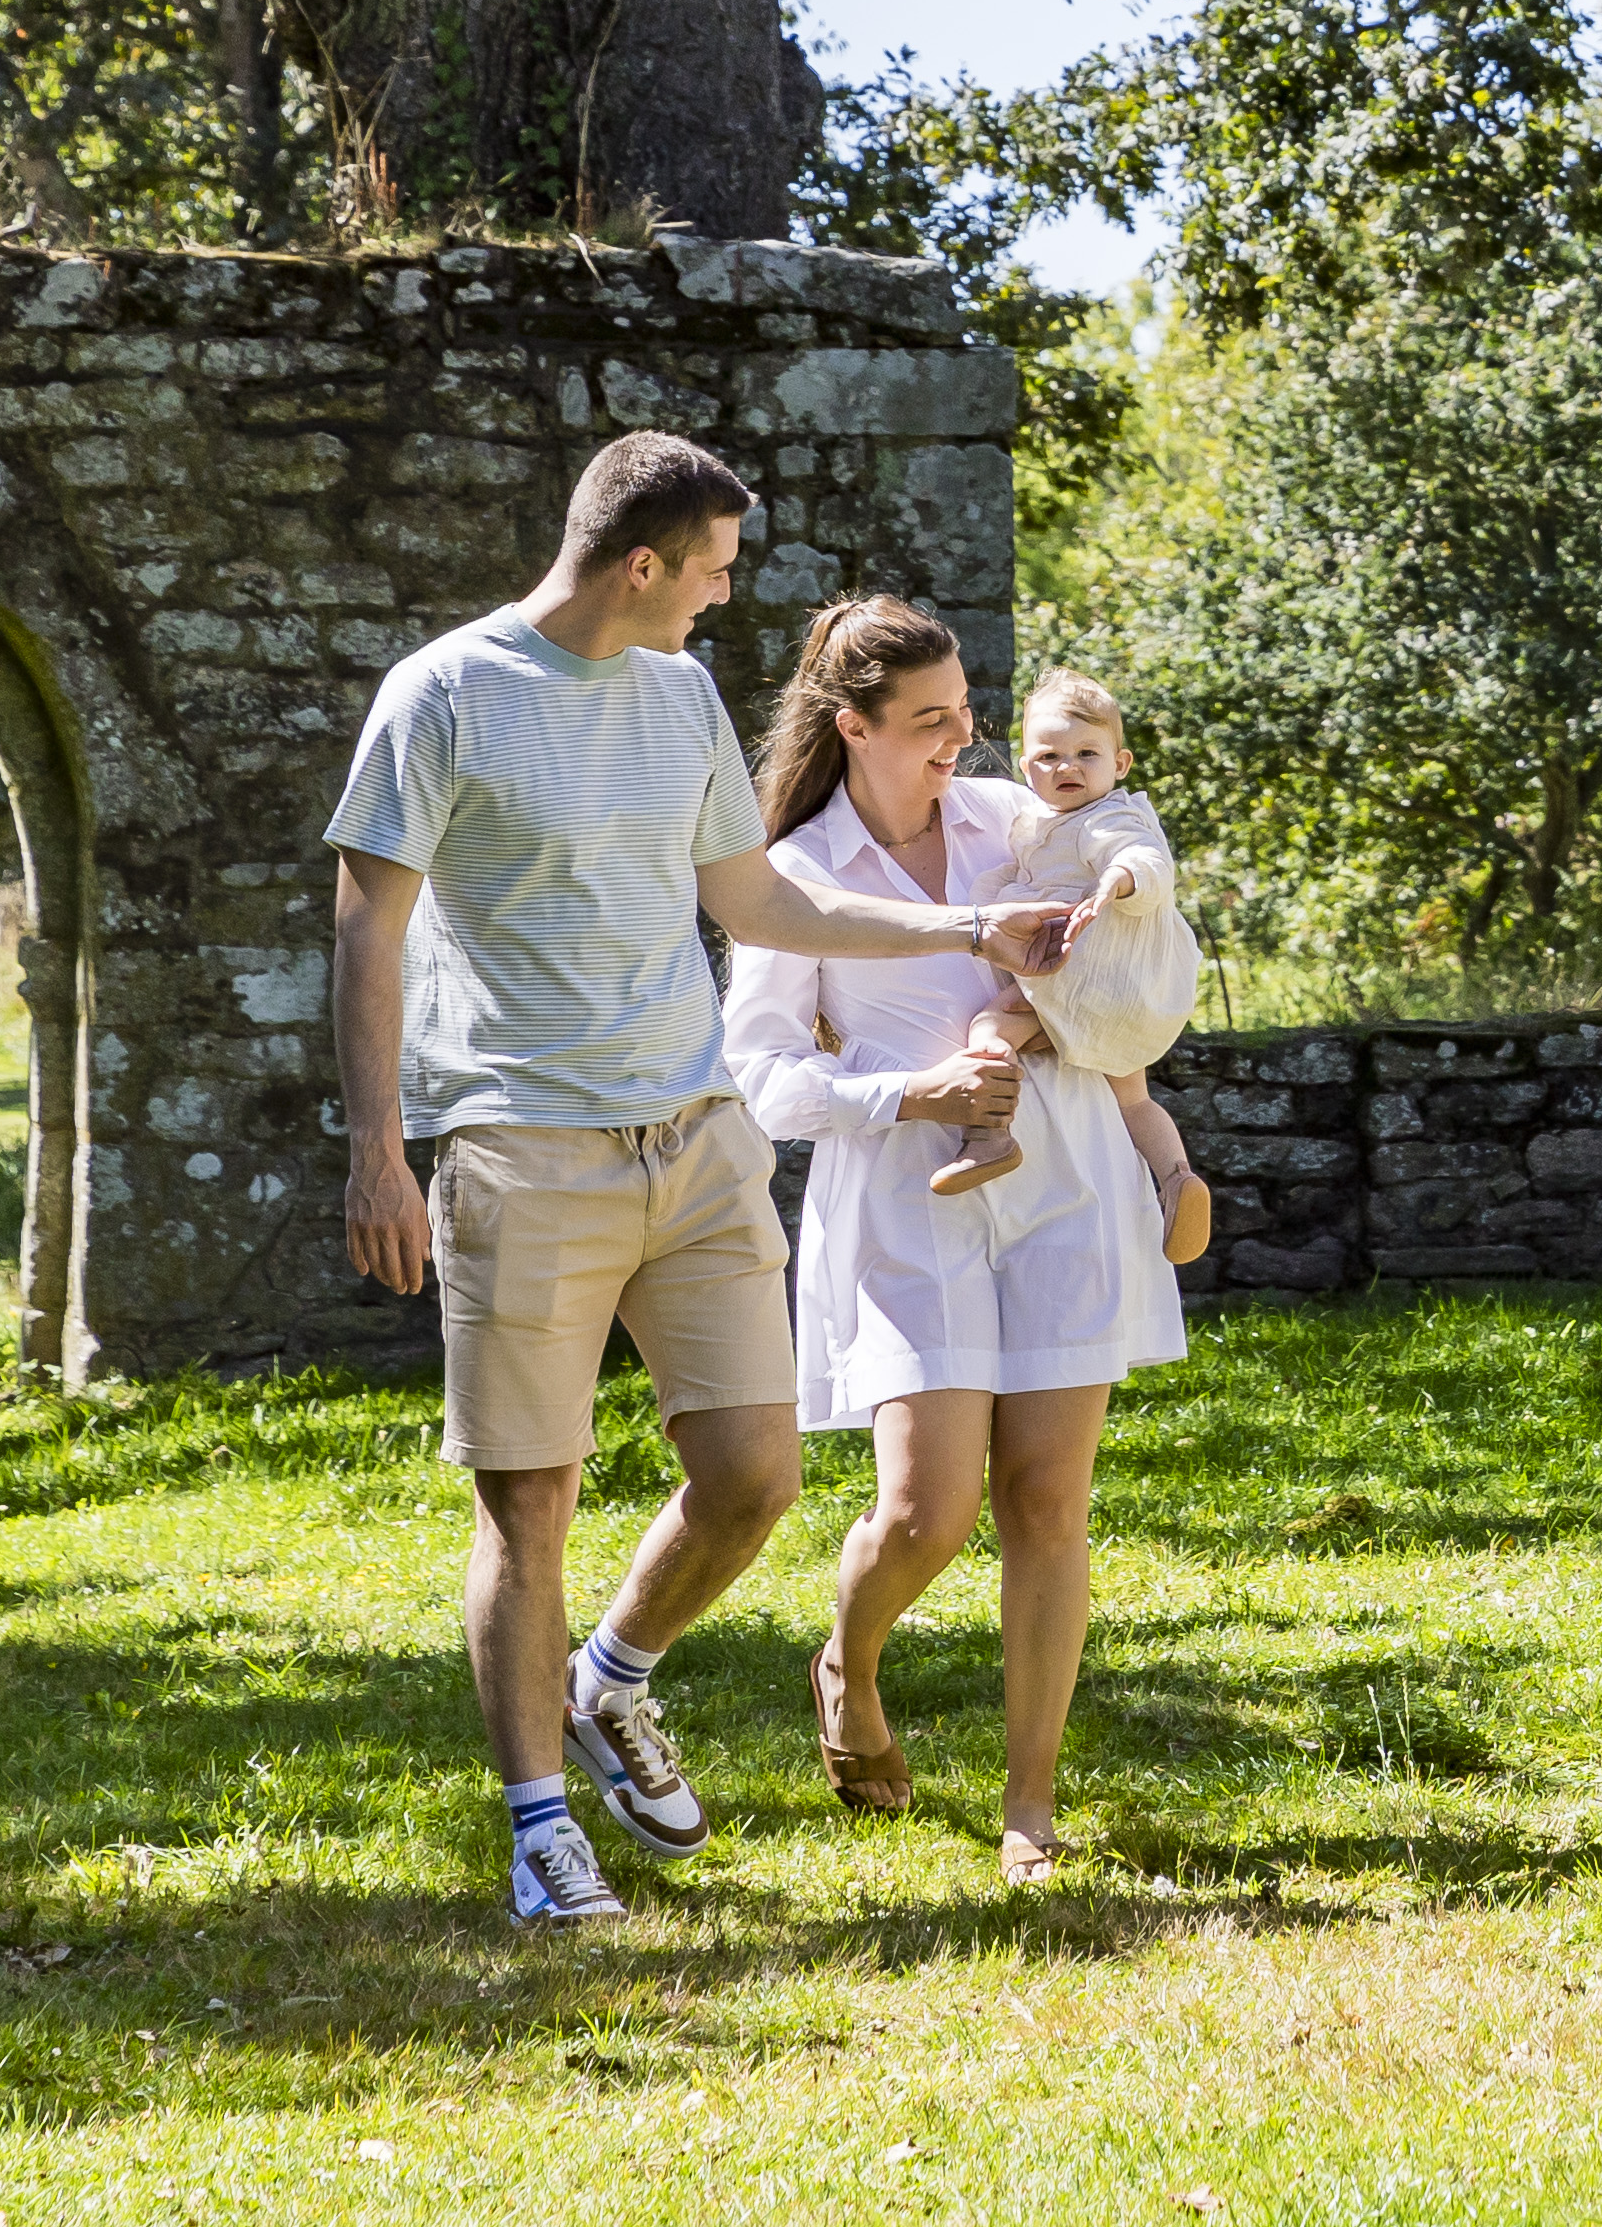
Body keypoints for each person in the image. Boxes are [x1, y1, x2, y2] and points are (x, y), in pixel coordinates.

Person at [329, 433, 1077, 1930]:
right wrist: (377, 1149)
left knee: (756, 1476)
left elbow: (756, 897)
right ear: (644, 563)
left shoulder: (677, 696)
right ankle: (544, 1832)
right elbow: (368, 928)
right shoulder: (444, 694)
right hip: (521, 1147)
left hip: (699, 1135)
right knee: (528, 1500)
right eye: (717, 568)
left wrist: (964, 933)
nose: (729, 600)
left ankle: (610, 1680)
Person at [724, 595, 1191, 1888]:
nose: (960, 743)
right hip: (901, 1199)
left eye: (965, 713)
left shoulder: (1015, 821)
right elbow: (759, 1073)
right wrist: (901, 1096)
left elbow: (1130, 890)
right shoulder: (794, 871)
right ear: (854, 725)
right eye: (929, 722)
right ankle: (849, 1663)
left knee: (1047, 1497)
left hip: (1060, 1178)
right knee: (927, 1511)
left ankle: (1029, 1808)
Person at [916, 671, 1214, 1263]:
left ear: (1120, 763)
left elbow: (1140, 856)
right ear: (1026, 768)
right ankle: (1178, 1178)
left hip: (1082, 976)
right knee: (1133, 1099)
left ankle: (990, 1137)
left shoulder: (1109, 819)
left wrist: (1117, 879)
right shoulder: (1039, 824)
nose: (1067, 767)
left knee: (991, 1029)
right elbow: (1019, 877)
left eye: (1086, 754)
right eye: (1049, 756)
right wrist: (1000, 888)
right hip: (1119, 989)